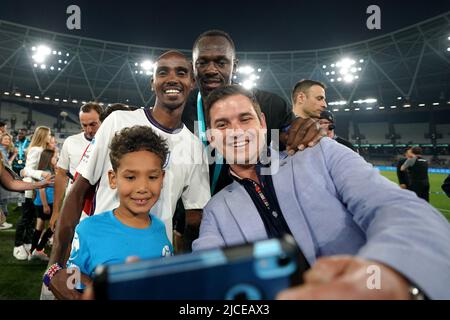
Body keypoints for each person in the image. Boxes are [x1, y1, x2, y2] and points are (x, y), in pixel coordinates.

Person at [192, 84, 450, 300]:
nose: (236, 131)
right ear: (212, 137)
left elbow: (398, 208)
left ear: (262, 124)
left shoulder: (323, 154)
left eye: (245, 119)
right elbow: (206, 273)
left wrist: (391, 276)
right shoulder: (216, 210)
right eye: (223, 124)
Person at [46, 50, 210, 300]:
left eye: (181, 72)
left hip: (153, 268)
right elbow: (78, 191)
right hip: (98, 262)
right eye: (162, 72)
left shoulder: (195, 147)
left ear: (192, 82)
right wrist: (54, 267)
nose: (172, 78)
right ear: (152, 82)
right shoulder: (116, 122)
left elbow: (194, 218)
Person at [175, 30, 324, 251]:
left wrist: (306, 129)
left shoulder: (269, 105)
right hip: (190, 225)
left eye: (221, 62)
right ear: (193, 66)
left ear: (234, 65)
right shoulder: (179, 109)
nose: (211, 70)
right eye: (203, 62)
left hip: (251, 221)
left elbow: (292, 135)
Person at [62, 126, 173, 288]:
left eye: (152, 177)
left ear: (162, 178)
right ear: (113, 179)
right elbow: (70, 282)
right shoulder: (88, 229)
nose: (142, 187)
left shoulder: (160, 228)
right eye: (130, 177)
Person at [50, 102, 104, 232]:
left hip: (102, 204)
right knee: (70, 243)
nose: (89, 130)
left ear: (102, 120)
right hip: (74, 203)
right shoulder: (71, 142)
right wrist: (56, 211)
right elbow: (61, 175)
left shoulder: (112, 142)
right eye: (84, 125)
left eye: (93, 124)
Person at [13, 126, 53, 260]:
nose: (50, 137)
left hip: (35, 187)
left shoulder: (40, 149)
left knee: (31, 218)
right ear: (43, 135)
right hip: (30, 187)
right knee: (26, 218)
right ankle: (18, 245)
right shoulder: (36, 149)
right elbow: (27, 170)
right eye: (48, 134)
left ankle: (27, 242)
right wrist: (42, 174)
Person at [29, 149, 57, 261]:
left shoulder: (46, 170)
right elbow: (41, 190)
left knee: (39, 226)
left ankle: (33, 251)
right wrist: (45, 205)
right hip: (45, 203)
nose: (57, 158)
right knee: (54, 225)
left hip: (40, 203)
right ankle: (39, 249)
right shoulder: (47, 172)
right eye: (55, 157)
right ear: (49, 158)